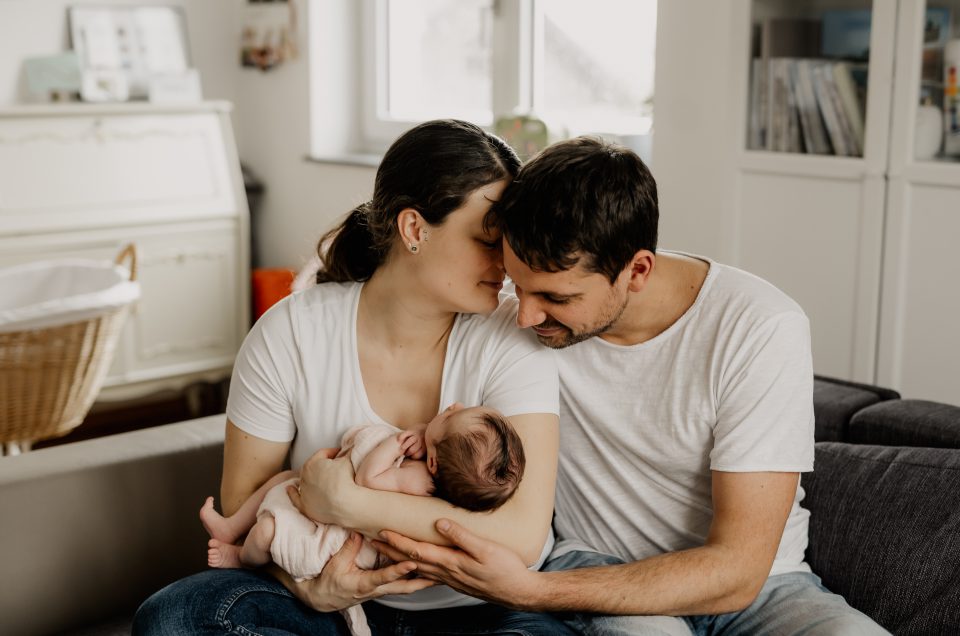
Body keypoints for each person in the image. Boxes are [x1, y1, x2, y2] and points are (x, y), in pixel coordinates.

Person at [369, 137, 891, 635]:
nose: (525, 315)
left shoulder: (758, 327)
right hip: (594, 568)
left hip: (765, 590)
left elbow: (737, 569)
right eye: (516, 284)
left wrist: (530, 591)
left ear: (637, 270)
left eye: (555, 297)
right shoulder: (516, 328)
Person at [133, 119, 573, 636]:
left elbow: (519, 537)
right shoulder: (291, 332)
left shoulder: (513, 336)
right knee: (175, 619)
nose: (507, 262)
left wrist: (348, 503)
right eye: (487, 239)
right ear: (414, 229)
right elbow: (245, 513)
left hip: (483, 607)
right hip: (330, 602)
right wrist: (308, 588)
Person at [200, 404, 524, 636]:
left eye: (452, 416)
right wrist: (422, 432)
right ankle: (230, 526)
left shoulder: (418, 480)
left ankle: (242, 558)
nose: (453, 406)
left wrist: (393, 444)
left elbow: (371, 481)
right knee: (284, 477)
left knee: (266, 533)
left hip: (333, 542)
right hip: (320, 511)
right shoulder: (437, 463)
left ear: (435, 463)